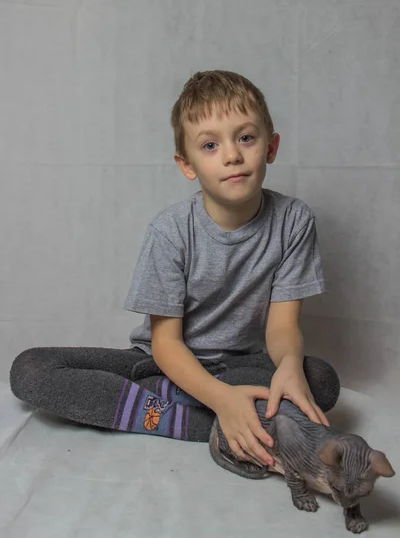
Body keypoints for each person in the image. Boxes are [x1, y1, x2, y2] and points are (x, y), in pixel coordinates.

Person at [10, 70, 340, 468]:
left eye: (246, 138)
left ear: (271, 147)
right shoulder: (170, 230)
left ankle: (201, 411)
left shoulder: (294, 220)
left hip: (240, 365)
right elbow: (166, 343)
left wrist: (288, 367)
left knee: (319, 378)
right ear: (187, 165)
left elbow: (283, 327)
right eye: (210, 145)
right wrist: (220, 399)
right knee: (30, 368)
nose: (232, 155)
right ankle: (206, 422)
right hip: (162, 362)